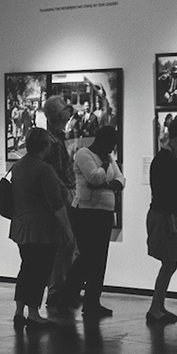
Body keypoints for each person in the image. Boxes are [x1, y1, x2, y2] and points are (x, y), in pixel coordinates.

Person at [57, 124, 124, 316]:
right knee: (88, 257)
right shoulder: (84, 154)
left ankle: (92, 301)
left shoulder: (108, 157)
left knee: (100, 258)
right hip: (86, 212)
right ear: (103, 140)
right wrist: (104, 167)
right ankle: (66, 294)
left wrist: (106, 184)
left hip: (105, 212)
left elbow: (121, 180)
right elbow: (94, 178)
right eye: (111, 144)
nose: (112, 148)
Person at [10, 128, 72, 330]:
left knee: (26, 269)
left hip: (21, 226)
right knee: (40, 271)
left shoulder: (18, 166)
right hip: (42, 229)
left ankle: (20, 311)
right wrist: (68, 229)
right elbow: (56, 203)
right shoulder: (44, 169)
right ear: (45, 146)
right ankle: (34, 314)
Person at [146, 115, 177, 324]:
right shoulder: (165, 159)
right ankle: (155, 308)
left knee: (170, 263)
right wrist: (171, 223)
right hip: (165, 218)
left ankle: (159, 306)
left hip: (167, 217)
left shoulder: (170, 157)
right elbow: (164, 194)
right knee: (170, 263)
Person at [38, 95, 77, 312]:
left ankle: (62, 290)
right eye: (65, 109)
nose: (69, 112)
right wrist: (66, 197)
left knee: (66, 246)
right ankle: (57, 292)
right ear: (60, 114)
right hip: (63, 197)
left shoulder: (56, 139)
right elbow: (56, 176)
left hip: (65, 195)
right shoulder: (54, 142)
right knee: (63, 245)